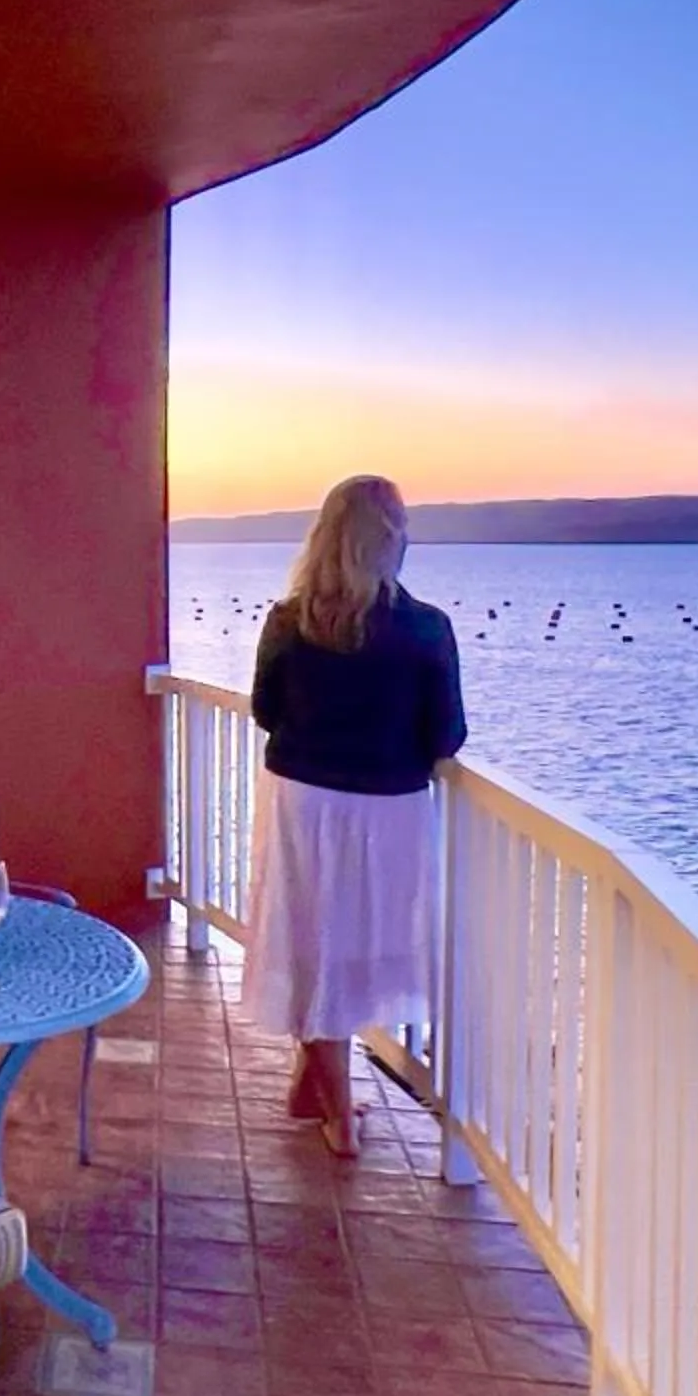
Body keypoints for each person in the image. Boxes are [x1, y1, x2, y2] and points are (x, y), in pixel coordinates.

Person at [246, 475, 467, 1157]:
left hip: (304, 798)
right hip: (388, 806)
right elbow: (447, 736)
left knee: (311, 938)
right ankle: (340, 1117)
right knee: (358, 947)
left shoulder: (289, 619)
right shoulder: (426, 626)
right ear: (391, 539)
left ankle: (313, 1085)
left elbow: (264, 710)